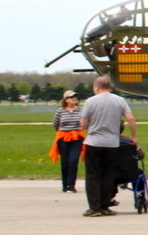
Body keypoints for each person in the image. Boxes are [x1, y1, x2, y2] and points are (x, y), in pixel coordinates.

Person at [78, 76, 138, 216]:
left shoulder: (90, 101)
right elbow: (130, 118)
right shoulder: (119, 100)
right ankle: (105, 206)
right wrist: (134, 137)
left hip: (94, 142)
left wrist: (88, 129)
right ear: (109, 87)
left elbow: (83, 122)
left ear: (96, 87)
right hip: (111, 143)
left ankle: (94, 208)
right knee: (108, 175)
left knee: (93, 175)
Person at [50, 90, 85, 193]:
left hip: (76, 138)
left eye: (75, 96)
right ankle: (65, 185)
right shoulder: (60, 111)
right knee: (65, 161)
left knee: (73, 160)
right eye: (71, 97)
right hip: (64, 138)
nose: (74, 98)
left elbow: (85, 122)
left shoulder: (81, 111)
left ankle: (71, 185)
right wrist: (63, 133)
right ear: (66, 100)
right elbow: (56, 125)